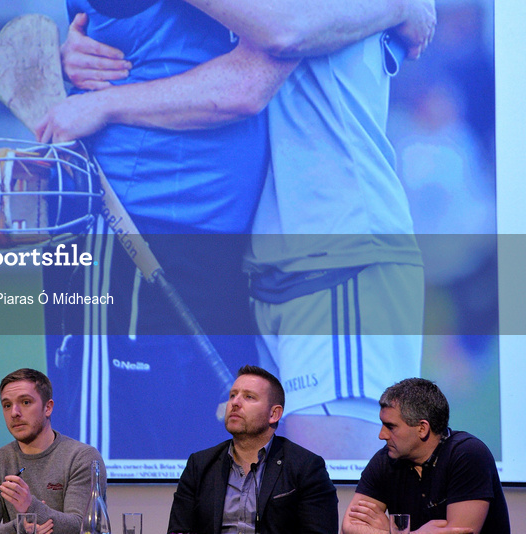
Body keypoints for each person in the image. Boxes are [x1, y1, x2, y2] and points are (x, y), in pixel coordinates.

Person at [43, 0, 435, 460]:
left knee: (333, 505)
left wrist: (102, 101)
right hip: (273, 270)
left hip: (339, 262)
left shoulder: (295, 18)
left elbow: (275, 44)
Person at [167, 366, 337, 534]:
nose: (235, 403)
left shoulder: (306, 467)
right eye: (233, 395)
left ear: (274, 414)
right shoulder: (200, 464)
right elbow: (179, 530)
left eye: (249, 397)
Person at [342, 378, 510, 534]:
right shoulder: (386, 459)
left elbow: (459, 532)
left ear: (422, 428)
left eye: (390, 427)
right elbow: (349, 527)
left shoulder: (467, 454)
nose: (381, 435)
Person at [0, 368, 105, 534]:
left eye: (26, 402)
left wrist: (29, 506)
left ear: (48, 407)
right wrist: (19, 528)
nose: (14, 413)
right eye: (7, 405)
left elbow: (84, 527)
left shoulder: (82, 457)